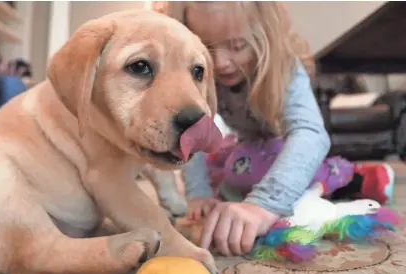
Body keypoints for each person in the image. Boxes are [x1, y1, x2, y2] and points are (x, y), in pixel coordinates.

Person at [155, 2, 394, 257]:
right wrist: (198, 193)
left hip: (284, 142)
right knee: (229, 174)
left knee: (307, 175)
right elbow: (196, 130)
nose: (220, 62)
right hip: (246, 145)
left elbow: (310, 135)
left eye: (237, 46)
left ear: (265, 37)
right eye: (206, 46)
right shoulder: (199, 70)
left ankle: (357, 176)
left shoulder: (287, 68)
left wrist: (261, 206)